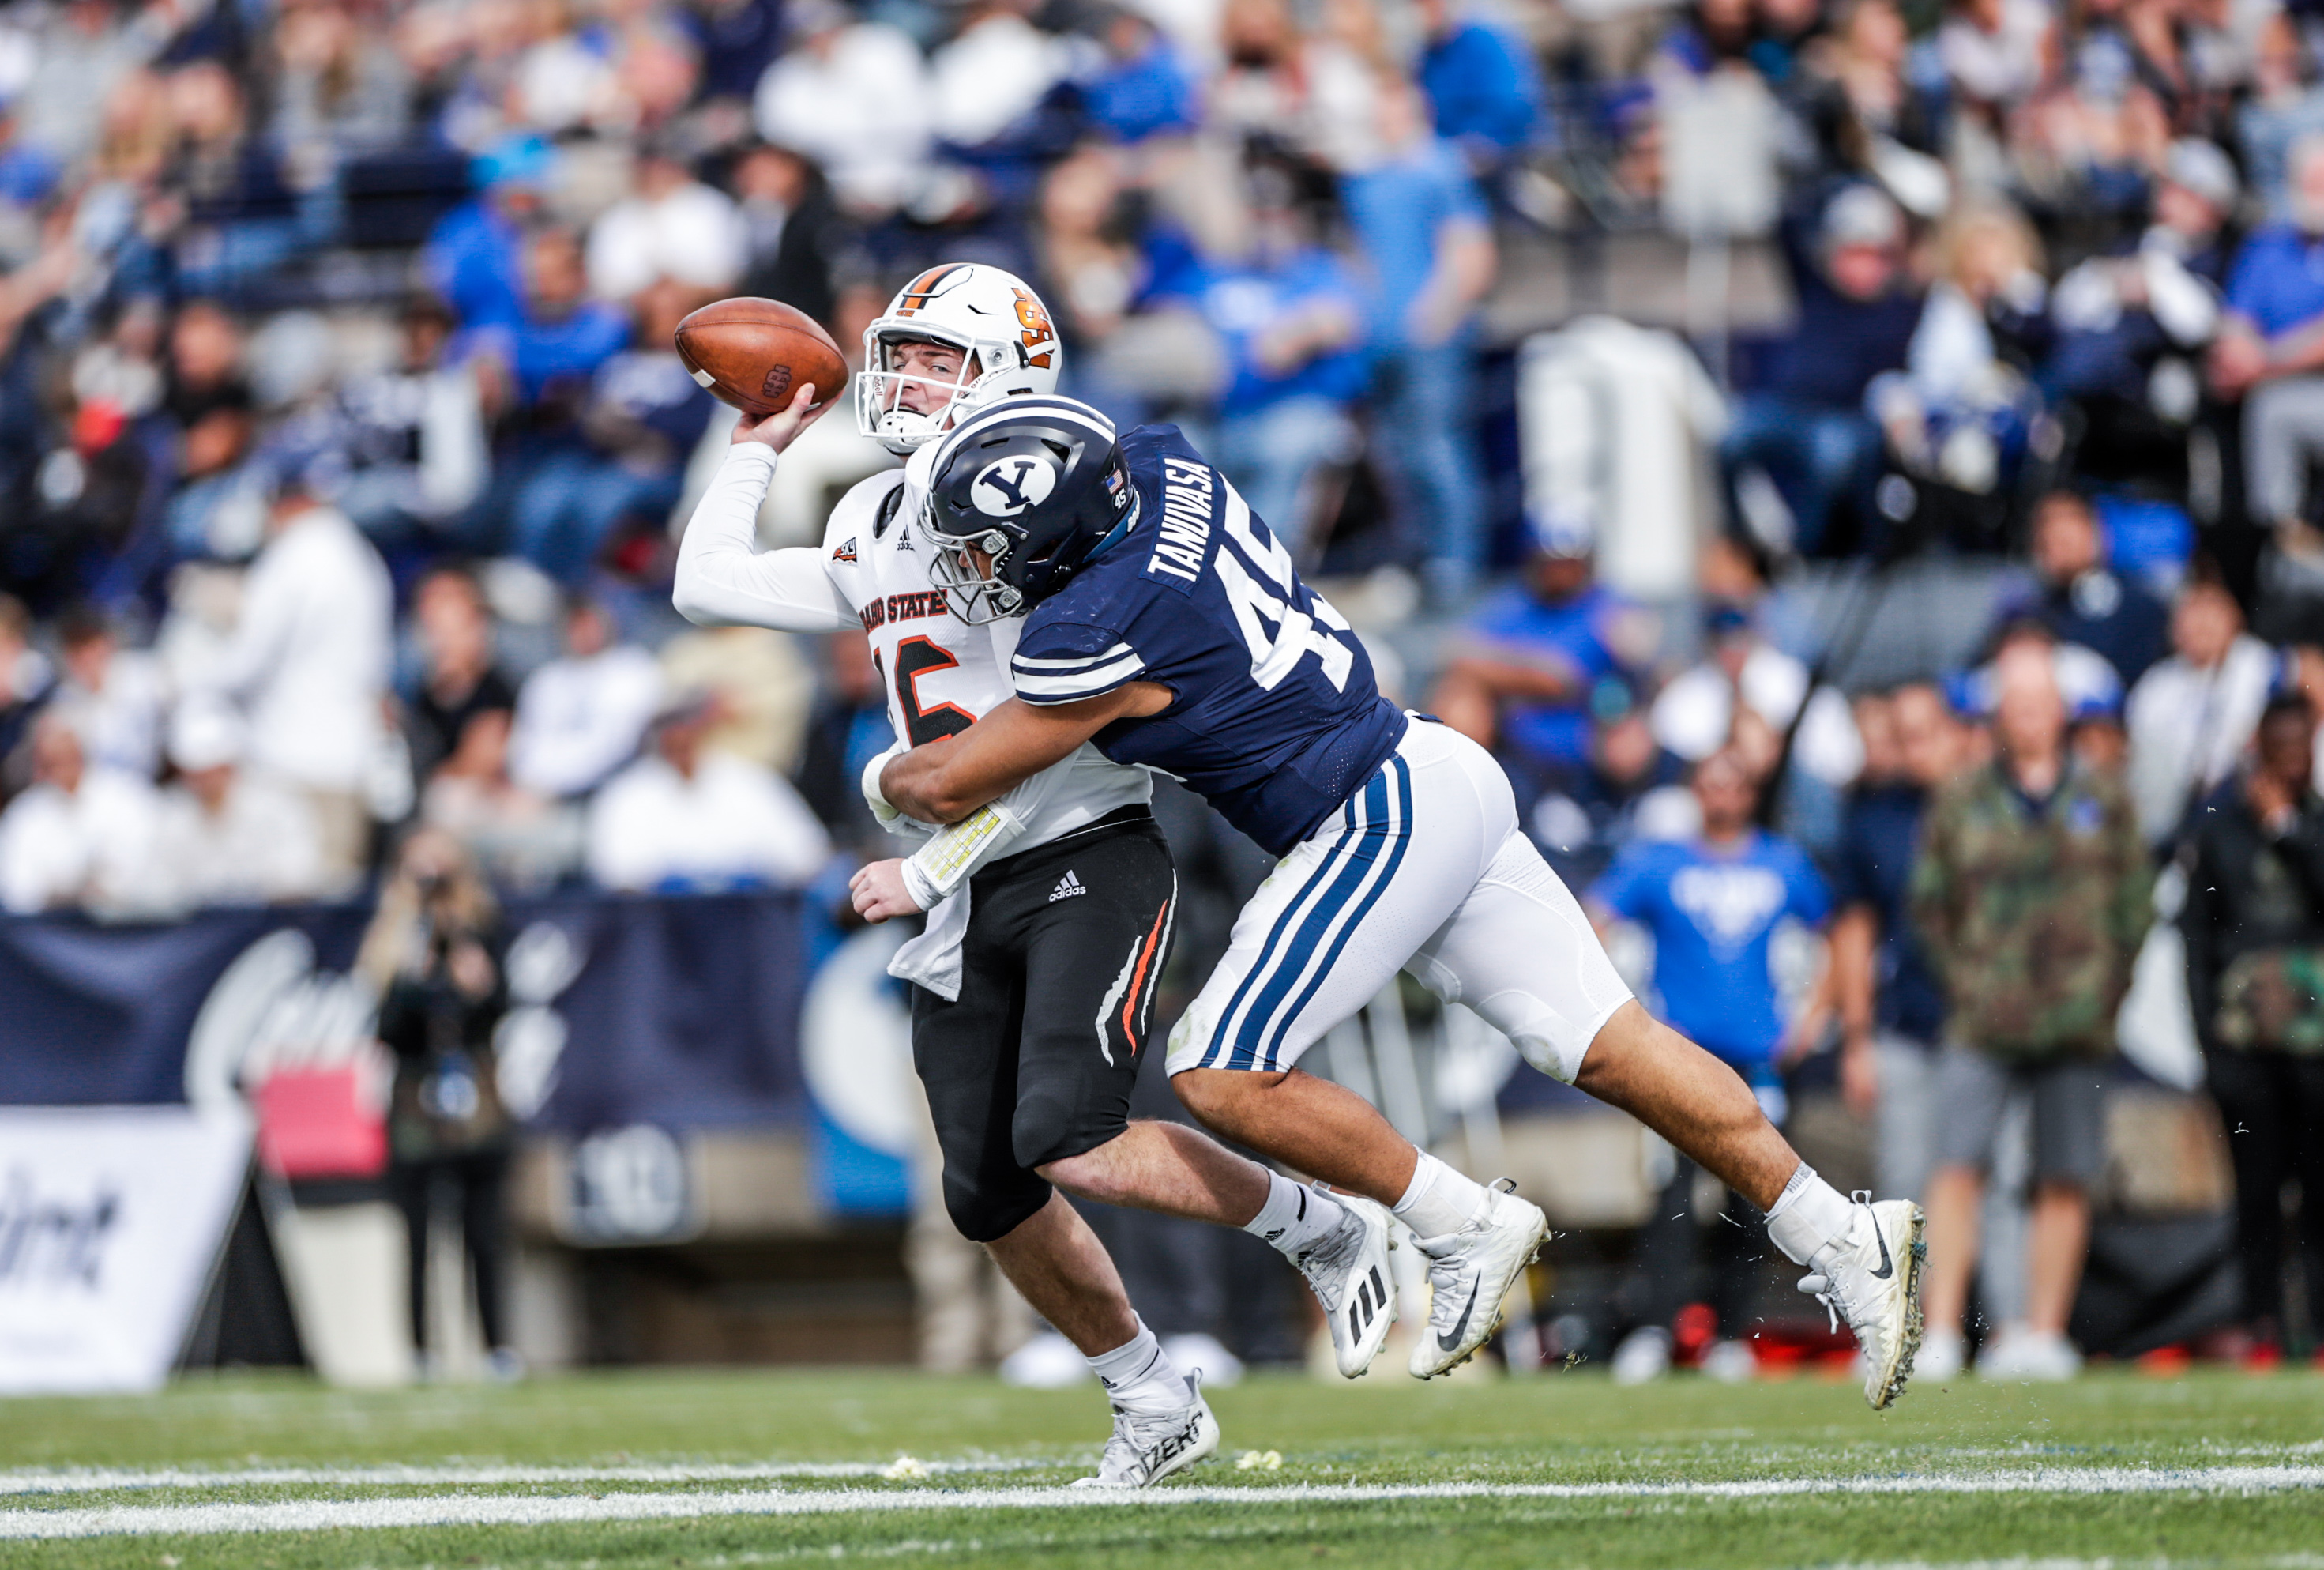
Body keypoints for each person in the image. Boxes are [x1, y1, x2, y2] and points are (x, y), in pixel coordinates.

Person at [871, 390, 1928, 1413]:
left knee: (1216, 1067)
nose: (981, 574)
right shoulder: (1157, 462)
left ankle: (1459, 1220)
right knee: (1613, 1044)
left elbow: (949, 781)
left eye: (994, 550)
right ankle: (1843, 1234)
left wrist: (884, 780)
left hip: (1367, 813)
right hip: (1432, 762)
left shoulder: (1096, 624)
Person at [672, 262, 1404, 1488]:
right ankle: (1152, 1399)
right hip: (963, 881)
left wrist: (924, 862)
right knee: (984, 1189)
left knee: (1068, 1133)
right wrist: (753, 443)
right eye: (897, 355)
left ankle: (1321, 1225)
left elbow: (1055, 727)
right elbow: (706, 584)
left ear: (1011, 374)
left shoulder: (1044, 516)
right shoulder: (867, 514)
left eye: (936, 362)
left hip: (1084, 848)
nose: (902, 381)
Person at [1911, 642, 2152, 1381]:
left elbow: (2134, 904)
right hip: (1983, 1018)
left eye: (2040, 704)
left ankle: (2043, 1332)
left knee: (2064, 1174)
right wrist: (1967, 980)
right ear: (1998, 715)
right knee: (1954, 1167)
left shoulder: (2105, 797)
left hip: (2075, 1019)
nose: (2028, 719)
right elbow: (1929, 904)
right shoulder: (1960, 797)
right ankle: (1944, 1330)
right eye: (2015, 706)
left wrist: (2104, 986)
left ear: (2062, 712)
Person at [1589, 747, 1833, 1384]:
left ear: (1751, 792)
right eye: (1712, 783)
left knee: (1754, 1198)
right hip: (1681, 1057)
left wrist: (1814, 1019)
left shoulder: (1784, 863)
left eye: (1736, 783)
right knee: (1670, 1194)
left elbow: (1839, 930)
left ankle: (1730, 1331)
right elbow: (1597, 916)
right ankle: (1655, 1326)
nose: (1723, 796)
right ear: (1697, 791)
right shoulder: (1660, 863)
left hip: (1758, 1061)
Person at [2181, 694, 2324, 1364]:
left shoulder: (2316, 824)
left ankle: (2315, 1328)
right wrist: (2209, 1040)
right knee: (2256, 1193)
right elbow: (2198, 939)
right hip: (2246, 1050)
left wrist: (2289, 829)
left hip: (2314, 1049)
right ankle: (2258, 1320)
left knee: (2318, 1190)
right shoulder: (2220, 828)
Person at [355, 827, 521, 1384]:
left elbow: (500, 1012)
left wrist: (474, 981)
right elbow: (385, 1029)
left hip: (474, 1087)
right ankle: (421, 1349)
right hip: (414, 1092)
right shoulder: (393, 940)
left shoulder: (482, 929)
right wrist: (413, 975)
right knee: (419, 1232)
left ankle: (497, 1346)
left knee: (484, 1229)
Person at [202, 471, 393, 890]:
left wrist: (188, 680)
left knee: (297, 924)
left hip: (292, 768)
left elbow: (244, 664)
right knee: (336, 917)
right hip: (350, 762)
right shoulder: (363, 557)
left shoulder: (294, 555)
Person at [1825, 683, 1965, 1203]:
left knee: (1997, 1190)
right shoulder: (1875, 819)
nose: (1916, 748)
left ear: (1955, 731)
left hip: (1990, 1030)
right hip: (1908, 1026)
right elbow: (1855, 931)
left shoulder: (1994, 808)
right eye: (1903, 736)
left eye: (1926, 732)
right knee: (1906, 1189)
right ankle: (1923, 1292)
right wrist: (1857, 1037)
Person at [585, 691, 829, 894]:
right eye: (671, 723)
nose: (680, 734)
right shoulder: (627, 795)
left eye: (687, 722)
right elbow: (615, 872)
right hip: (663, 928)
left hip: (748, 922)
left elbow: (806, 856)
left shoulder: (752, 782)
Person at [2123, 578, 2277, 848]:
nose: (2202, 624)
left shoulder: (2262, 665)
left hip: (2244, 802)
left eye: (2211, 612)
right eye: (2192, 613)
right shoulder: (2155, 685)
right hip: (2178, 811)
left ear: (2235, 618)